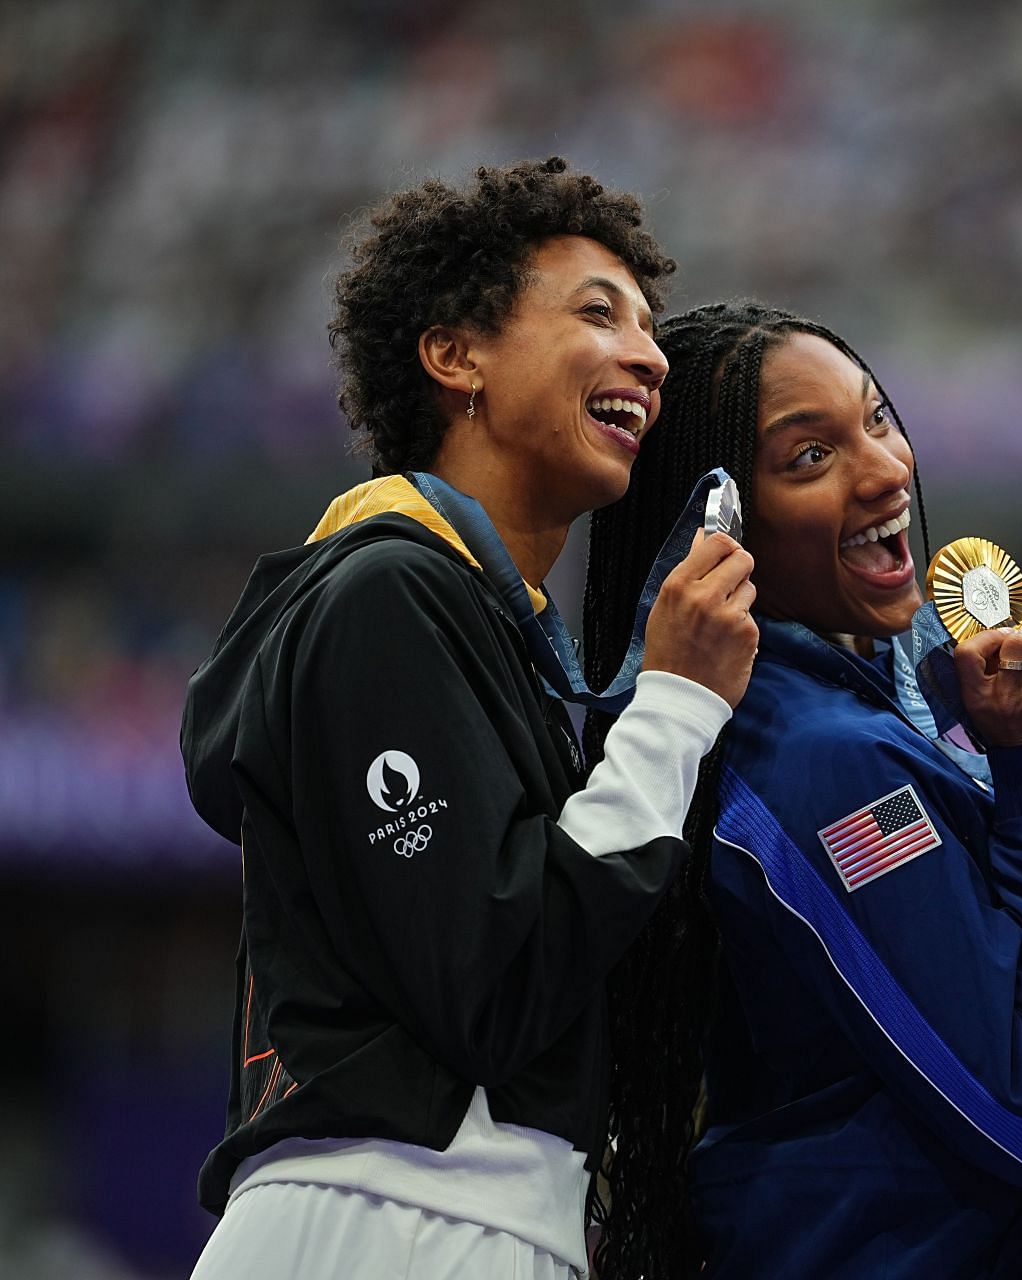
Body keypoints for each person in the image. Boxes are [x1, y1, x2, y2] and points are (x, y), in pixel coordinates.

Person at [178, 158, 759, 1280]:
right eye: (598, 312)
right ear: (455, 356)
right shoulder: (385, 592)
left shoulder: (486, 624)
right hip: (384, 1213)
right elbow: (500, 981)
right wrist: (676, 703)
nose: (651, 354)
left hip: (474, 1214)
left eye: (652, 328)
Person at [580, 301, 1022, 1279]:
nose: (886, 468)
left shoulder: (826, 713)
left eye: (877, 419)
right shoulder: (825, 764)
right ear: (721, 527)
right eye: (809, 456)